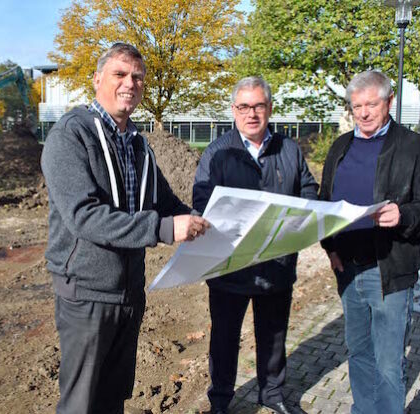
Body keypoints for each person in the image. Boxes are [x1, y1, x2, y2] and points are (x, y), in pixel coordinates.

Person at [40, 43, 209, 414]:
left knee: (113, 397)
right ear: (98, 79)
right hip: (86, 293)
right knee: (81, 403)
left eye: (137, 77)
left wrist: (206, 223)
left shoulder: (138, 145)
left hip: (129, 292)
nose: (129, 83)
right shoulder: (70, 137)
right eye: (120, 74)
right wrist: (164, 229)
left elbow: (166, 204)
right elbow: (84, 216)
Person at [319, 70, 420, 413]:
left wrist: (402, 216)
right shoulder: (340, 147)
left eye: (371, 104)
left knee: (389, 364)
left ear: (389, 102)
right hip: (347, 271)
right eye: (356, 105)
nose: (363, 113)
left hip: (388, 270)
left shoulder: (415, 148)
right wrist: (330, 248)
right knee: (359, 354)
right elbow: (325, 201)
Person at [193, 77, 317, 414]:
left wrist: (298, 216)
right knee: (224, 339)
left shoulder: (288, 149)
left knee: (273, 336)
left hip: (276, 265)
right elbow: (202, 199)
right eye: (244, 107)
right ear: (233, 110)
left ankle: (273, 395)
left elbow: (308, 191)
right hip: (229, 267)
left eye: (258, 106)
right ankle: (220, 400)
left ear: (269, 109)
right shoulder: (218, 152)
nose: (251, 113)